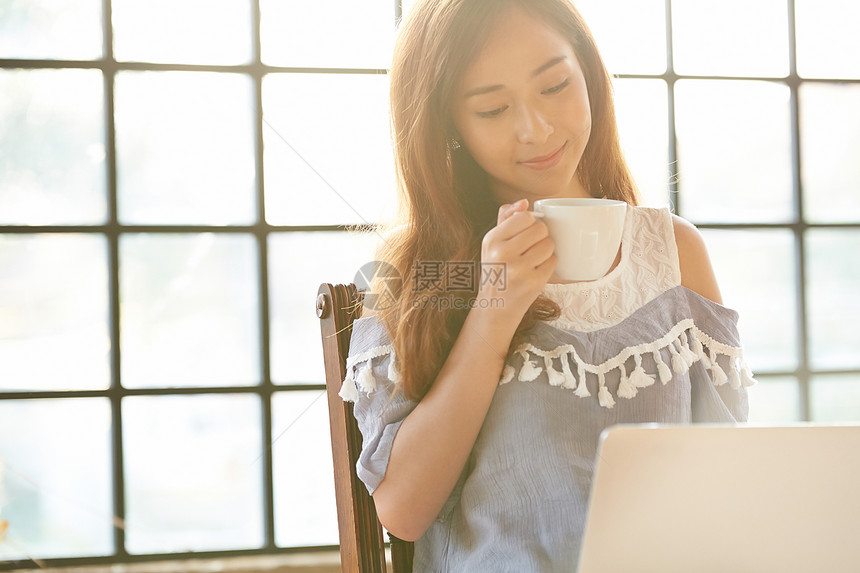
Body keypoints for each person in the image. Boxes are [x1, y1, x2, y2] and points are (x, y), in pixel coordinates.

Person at [338, 0, 755, 570]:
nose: (534, 129)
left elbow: (737, 477)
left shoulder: (674, 252)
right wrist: (492, 315)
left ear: (589, 76)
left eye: (555, 85)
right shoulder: (418, 269)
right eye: (492, 109)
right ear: (448, 125)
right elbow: (404, 511)